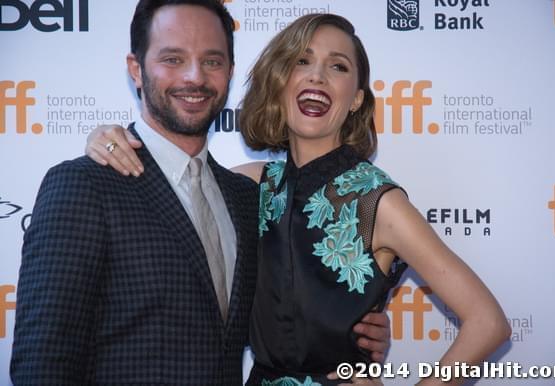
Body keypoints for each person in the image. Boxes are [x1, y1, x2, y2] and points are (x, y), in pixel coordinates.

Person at [84, 11, 511, 386]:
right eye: (301, 62)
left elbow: (487, 322)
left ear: (357, 98)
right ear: (280, 82)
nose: (317, 76)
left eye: (338, 66)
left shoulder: (378, 201)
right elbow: (169, 177)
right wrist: (107, 138)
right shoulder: (245, 185)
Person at [10, 2, 390, 385]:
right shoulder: (83, 186)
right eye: (173, 59)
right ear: (135, 70)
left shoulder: (246, 197)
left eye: (212, 61)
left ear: (229, 72)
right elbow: (43, 364)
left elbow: (283, 307)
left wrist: (347, 327)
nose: (194, 77)